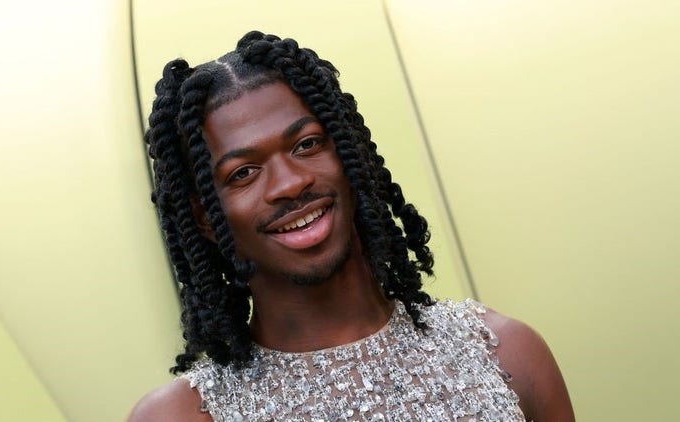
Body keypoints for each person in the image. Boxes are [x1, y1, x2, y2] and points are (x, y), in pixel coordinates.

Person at [129, 31, 574, 421]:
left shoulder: (505, 353)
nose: (290, 183)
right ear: (205, 219)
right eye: (242, 173)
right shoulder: (179, 416)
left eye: (307, 144)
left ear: (350, 154)